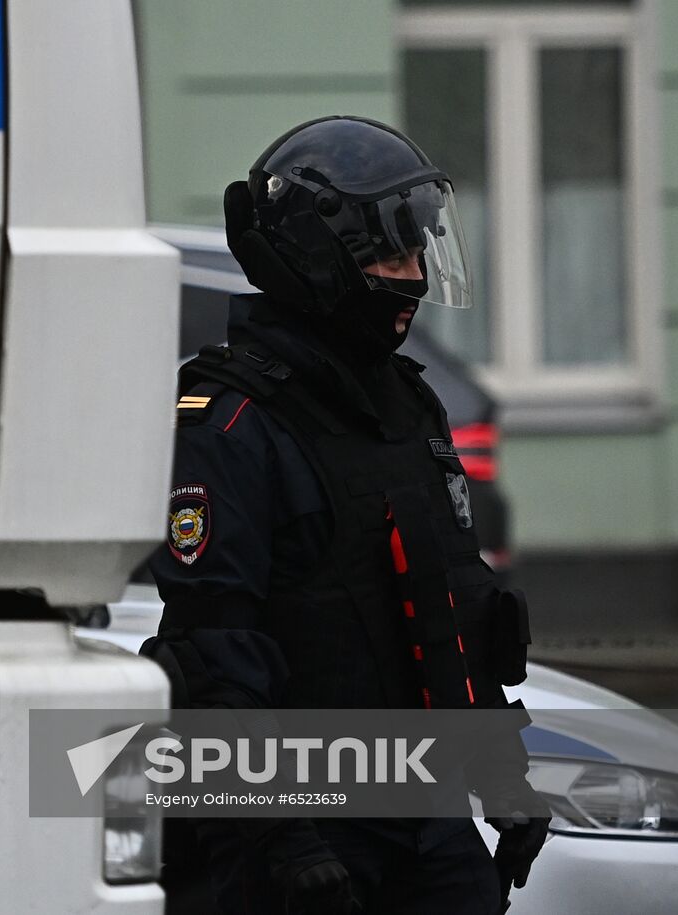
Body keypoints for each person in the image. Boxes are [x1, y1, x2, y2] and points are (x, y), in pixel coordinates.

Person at [144, 116, 549, 914]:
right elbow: (216, 657)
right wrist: (284, 832)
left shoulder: (409, 406)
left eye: (418, 251)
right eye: (391, 254)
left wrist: (502, 776)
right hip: (296, 830)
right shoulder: (231, 421)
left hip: (422, 812)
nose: (413, 277)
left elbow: (455, 612)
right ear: (321, 259)